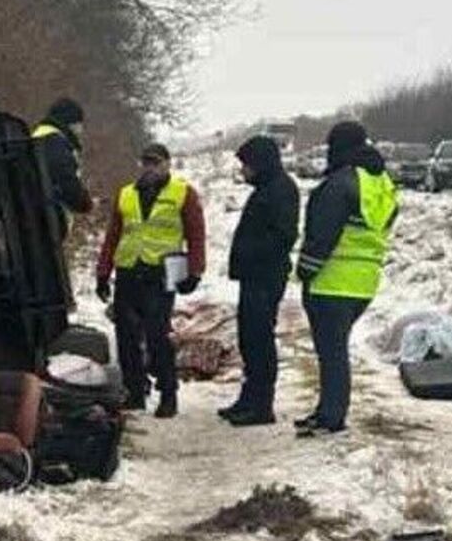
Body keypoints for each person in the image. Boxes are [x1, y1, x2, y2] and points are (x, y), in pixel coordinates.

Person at [294, 121, 396, 437]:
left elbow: (321, 235)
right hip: (363, 282)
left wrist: (305, 270)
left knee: (332, 353)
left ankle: (331, 416)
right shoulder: (380, 184)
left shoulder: (339, 184)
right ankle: (328, 410)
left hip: (331, 281)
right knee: (335, 350)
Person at [94, 143, 206, 418]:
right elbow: (113, 237)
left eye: (155, 163)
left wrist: (195, 271)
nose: (150, 168)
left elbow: (196, 235)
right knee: (127, 337)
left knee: (158, 335)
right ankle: (134, 392)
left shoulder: (182, 193)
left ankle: (168, 394)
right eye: (146, 163)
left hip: (161, 273)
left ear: (168, 164)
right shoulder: (126, 194)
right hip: (129, 270)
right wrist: (103, 273)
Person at [220, 135, 300, 426]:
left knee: (259, 338)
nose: (243, 171)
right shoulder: (267, 188)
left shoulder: (281, 190)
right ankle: (249, 397)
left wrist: (251, 254)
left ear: (260, 163)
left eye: (246, 165)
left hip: (266, 275)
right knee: (249, 337)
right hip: (255, 275)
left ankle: (261, 404)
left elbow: (283, 236)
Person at [31, 97, 95, 244]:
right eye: (80, 124)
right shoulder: (56, 142)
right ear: (71, 122)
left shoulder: (36, 137)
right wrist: (84, 202)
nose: (81, 130)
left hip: (35, 218)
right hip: (50, 219)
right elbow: (66, 180)